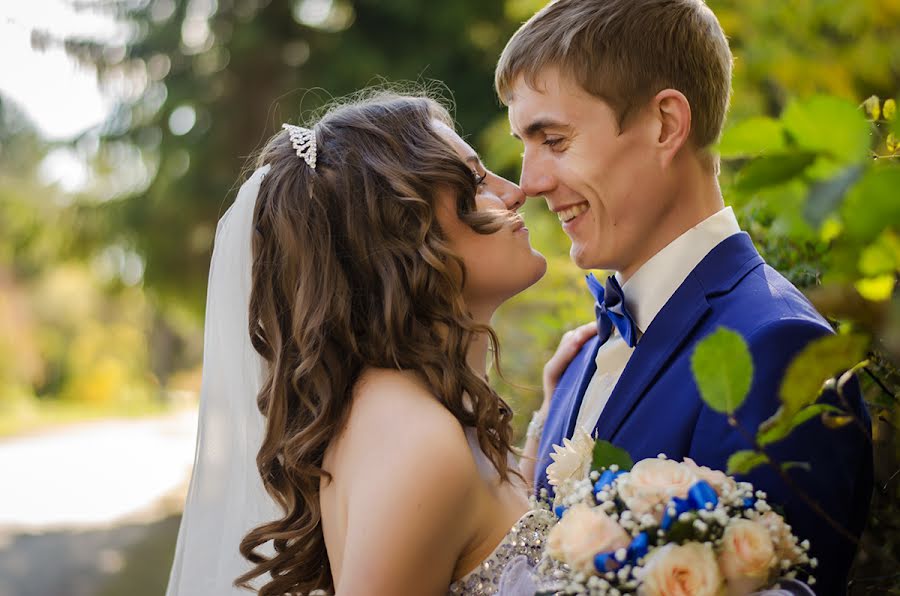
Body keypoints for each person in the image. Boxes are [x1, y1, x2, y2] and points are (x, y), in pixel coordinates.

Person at [494, 0, 873, 593]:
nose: (531, 181)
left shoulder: (778, 351)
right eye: (526, 144)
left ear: (667, 124)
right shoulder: (583, 352)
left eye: (555, 140)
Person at [165, 91, 581, 596]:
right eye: (473, 180)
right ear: (403, 234)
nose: (514, 191)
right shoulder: (416, 440)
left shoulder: (406, 410)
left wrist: (548, 420)